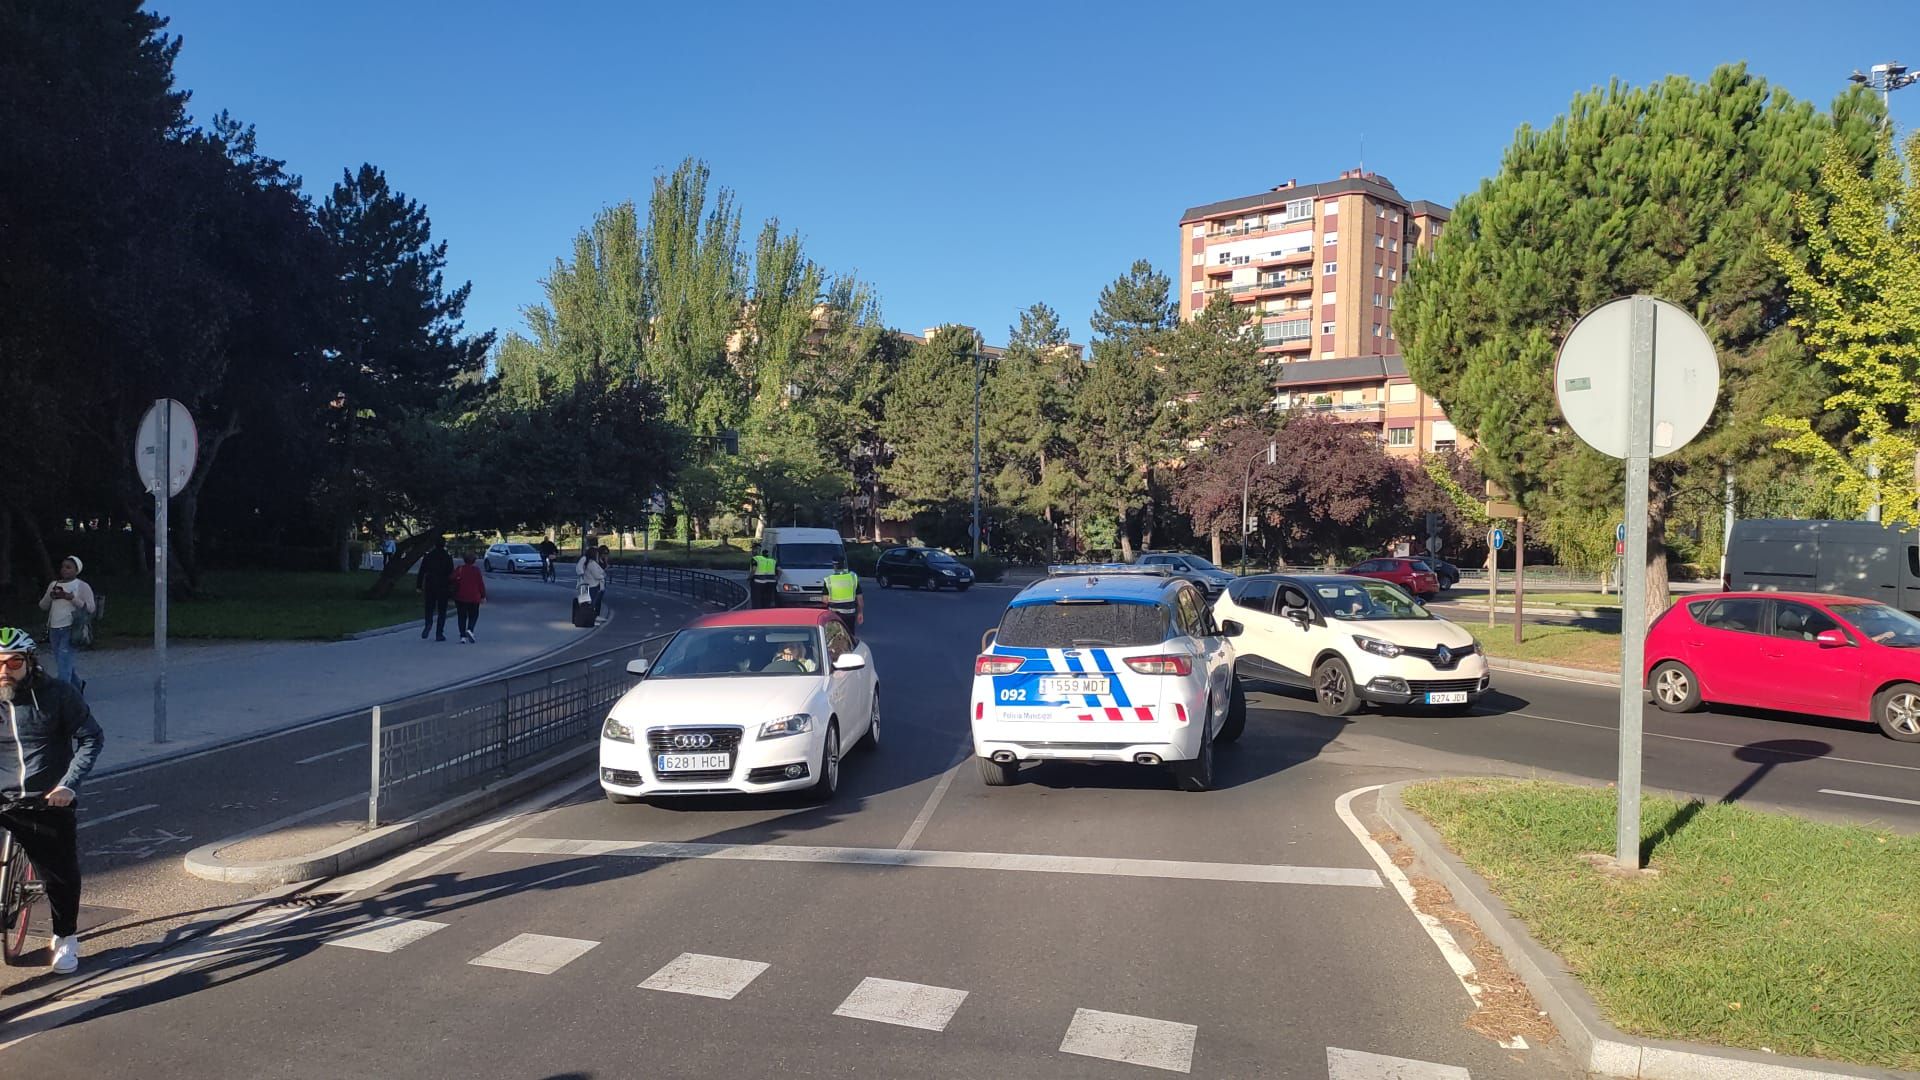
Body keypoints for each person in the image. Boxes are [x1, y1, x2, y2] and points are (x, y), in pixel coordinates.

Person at [0, 627, 104, 975]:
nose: (4, 669)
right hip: (2, 795)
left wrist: (68, 785)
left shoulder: (58, 694)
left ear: (30, 662)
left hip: (46, 799)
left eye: (13, 661)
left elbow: (91, 739)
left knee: (59, 874)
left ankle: (65, 937)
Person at [36, 557, 95, 691]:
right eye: (63, 567)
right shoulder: (54, 584)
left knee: (63, 666)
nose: (65, 570)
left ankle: (64, 697)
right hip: (54, 630)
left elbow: (91, 608)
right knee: (63, 662)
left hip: (71, 629)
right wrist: (50, 597)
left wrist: (71, 598)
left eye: (69, 567)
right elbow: (42, 606)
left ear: (76, 570)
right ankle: (78, 685)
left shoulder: (82, 586)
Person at [416, 537, 455, 641]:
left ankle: (428, 624)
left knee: (429, 607)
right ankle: (439, 633)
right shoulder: (447, 557)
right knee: (442, 611)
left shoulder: (428, 556)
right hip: (443, 585)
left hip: (430, 584)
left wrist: (419, 586)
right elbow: (451, 574)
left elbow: (422, 571)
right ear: (444, 545)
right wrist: (452, 588)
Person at [450, 552, 487, 644]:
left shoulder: (460, 569)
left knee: (461, 616)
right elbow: (480, 584)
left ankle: (462, 636)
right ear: (474, 561)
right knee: (473, 615)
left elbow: (451, 578)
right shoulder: (476, 570)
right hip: (474, 597)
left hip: (460, 596)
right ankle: (470, 629)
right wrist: (483, 595)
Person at [824, 557, 863, 641]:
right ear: (844, 564)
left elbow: (825, 600)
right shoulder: (852, 577)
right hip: (850, 614)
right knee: (850, 636)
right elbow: (860, 598)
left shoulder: (829, 580)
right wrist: (860, 613)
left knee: (834, 637)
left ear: (834, 566)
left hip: (834, 614)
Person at [578, 544, 607, 620]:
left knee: (591, 602)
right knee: (592, 602)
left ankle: (593, 617)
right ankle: (592, 618)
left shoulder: (590, 562)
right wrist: (603, 576)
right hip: (593, 584)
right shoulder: (591, 563)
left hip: (590, 584)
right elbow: (597, 575)